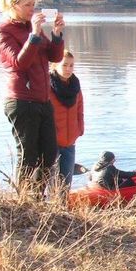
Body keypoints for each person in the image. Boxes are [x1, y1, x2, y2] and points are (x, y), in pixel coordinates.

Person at [0, 0, 65, 196]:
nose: (32, 9)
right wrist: (33, 35)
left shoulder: (35, 29)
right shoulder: (3, 32)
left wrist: (57, 34)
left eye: (33, 5)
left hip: (42, 99)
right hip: (21, 101)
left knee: (50, 154)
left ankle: (36, 196)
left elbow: (55, 57)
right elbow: (19, 63)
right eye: (27, 5)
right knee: (28, 155)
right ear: (14, 6)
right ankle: (23, 198)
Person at [50, 50, 85, 193]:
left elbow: (80, 109)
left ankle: (62, 211)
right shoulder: (48, 86)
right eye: (64, 65)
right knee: (53, 182)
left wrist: (79, 129)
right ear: (54, 66)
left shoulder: (75, 85)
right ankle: (52, 210)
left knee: (66, 182)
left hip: (70, 142)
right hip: (52, 142)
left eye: (71, 65)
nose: (68, 69)